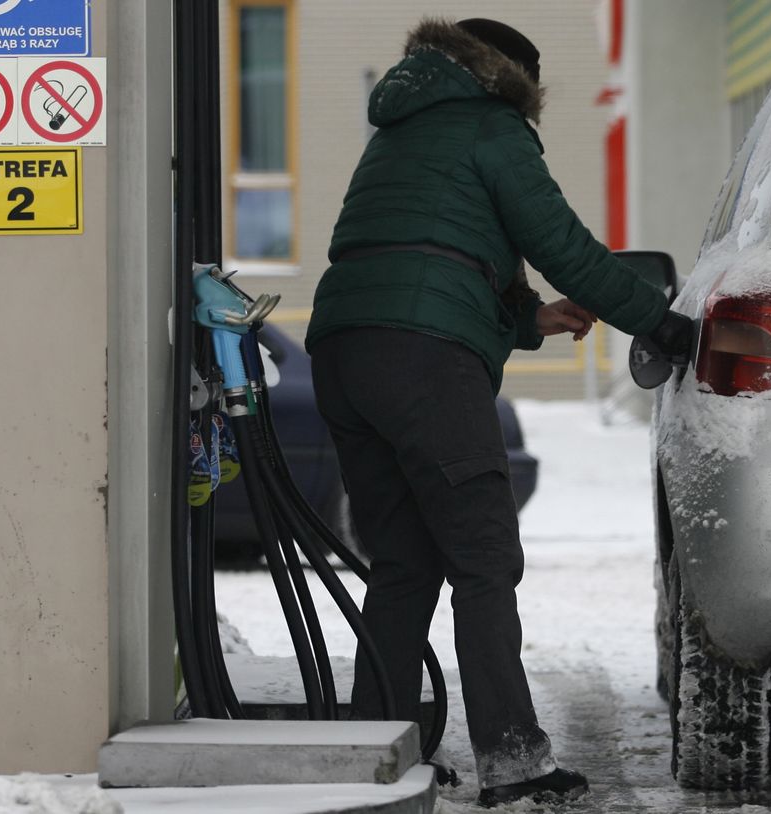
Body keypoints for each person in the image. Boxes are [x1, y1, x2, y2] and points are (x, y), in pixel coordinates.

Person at [305, 17, 692, 808]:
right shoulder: (493, 125)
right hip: (424, 362)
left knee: (405, 566)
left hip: (345, 351)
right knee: (483, 562)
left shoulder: (400, 130)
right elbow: (565, 246)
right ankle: (514, 761)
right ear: (511, 77)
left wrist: (527, 321)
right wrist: (663, 322)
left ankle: (375, 748)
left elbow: (418, 254)